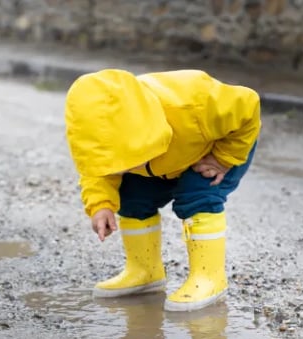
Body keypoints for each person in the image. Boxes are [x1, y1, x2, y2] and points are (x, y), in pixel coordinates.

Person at [65, 69, 261, 312]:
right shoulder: (98, 136)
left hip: (213, 151)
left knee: (197, 194)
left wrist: (224, 158)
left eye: (127, 157)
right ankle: (145, 270)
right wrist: (100, 204)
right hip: (161, 163)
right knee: (131, 196)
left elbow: (248, 106)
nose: (122, 167)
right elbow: (98, 170)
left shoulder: (194, 103)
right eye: (116, 162)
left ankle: (209, 277)